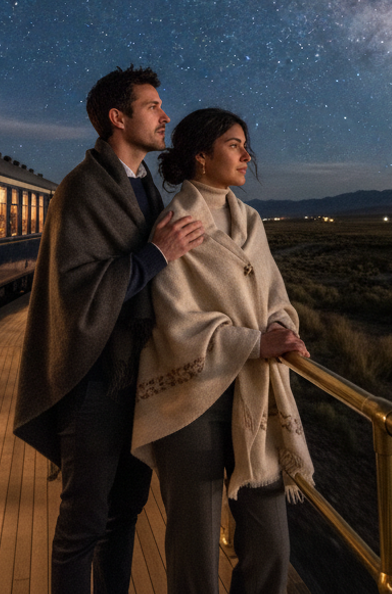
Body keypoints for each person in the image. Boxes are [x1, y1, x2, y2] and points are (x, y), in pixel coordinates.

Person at [14, 66, 205, 594]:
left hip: (141, 376)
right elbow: (76, 288)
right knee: (83, 522)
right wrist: (157, 254)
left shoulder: (148, 190)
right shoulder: (81, 190)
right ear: (118, 119)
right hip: (94, 378)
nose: (165, 115)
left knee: (125, 513)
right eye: (152, 106)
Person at [132, 108, 315, 594]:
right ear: (201, 156)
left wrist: (281, 327)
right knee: (193, 550)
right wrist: (255, 341)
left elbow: (275, 296)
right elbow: (175, 322)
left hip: (255, 395)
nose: (245, 154)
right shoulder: (175, 223)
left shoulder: (251, 220)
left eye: (244, 145)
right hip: (193, 398)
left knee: (271, 545)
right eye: (233, 145)